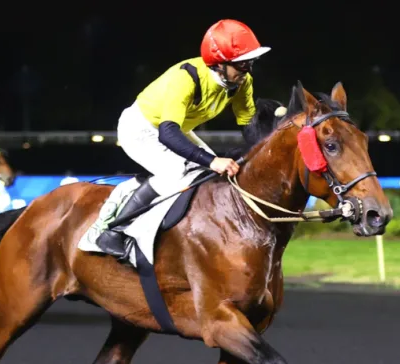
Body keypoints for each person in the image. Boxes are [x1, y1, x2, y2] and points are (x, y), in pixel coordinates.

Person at [96, 19, 271, 258]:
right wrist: (212, 160)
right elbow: (168, 133)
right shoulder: (186, 78)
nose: (248, 70)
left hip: (177, 129)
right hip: (140, 127)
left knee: (210, 176)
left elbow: (248, 126)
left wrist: (265, 154)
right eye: (242, 64)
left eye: (250, 62)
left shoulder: (241, 82)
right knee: (175, 174)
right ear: (219, 63)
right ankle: (113, 231)